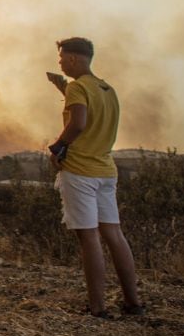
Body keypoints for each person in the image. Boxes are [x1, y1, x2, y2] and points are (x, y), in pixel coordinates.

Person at [47, 37, 143, 318]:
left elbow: (79, 123)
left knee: (89, 238)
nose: (61, 62)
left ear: (74, 59)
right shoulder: (107, 89)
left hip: (80, 171)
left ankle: (98, 307)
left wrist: (57, 148)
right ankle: (133, 302)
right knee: (114, 234)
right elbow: (92, 113)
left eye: (62, 58)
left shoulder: (78, 87)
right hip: (105, 170)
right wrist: (63, 88)